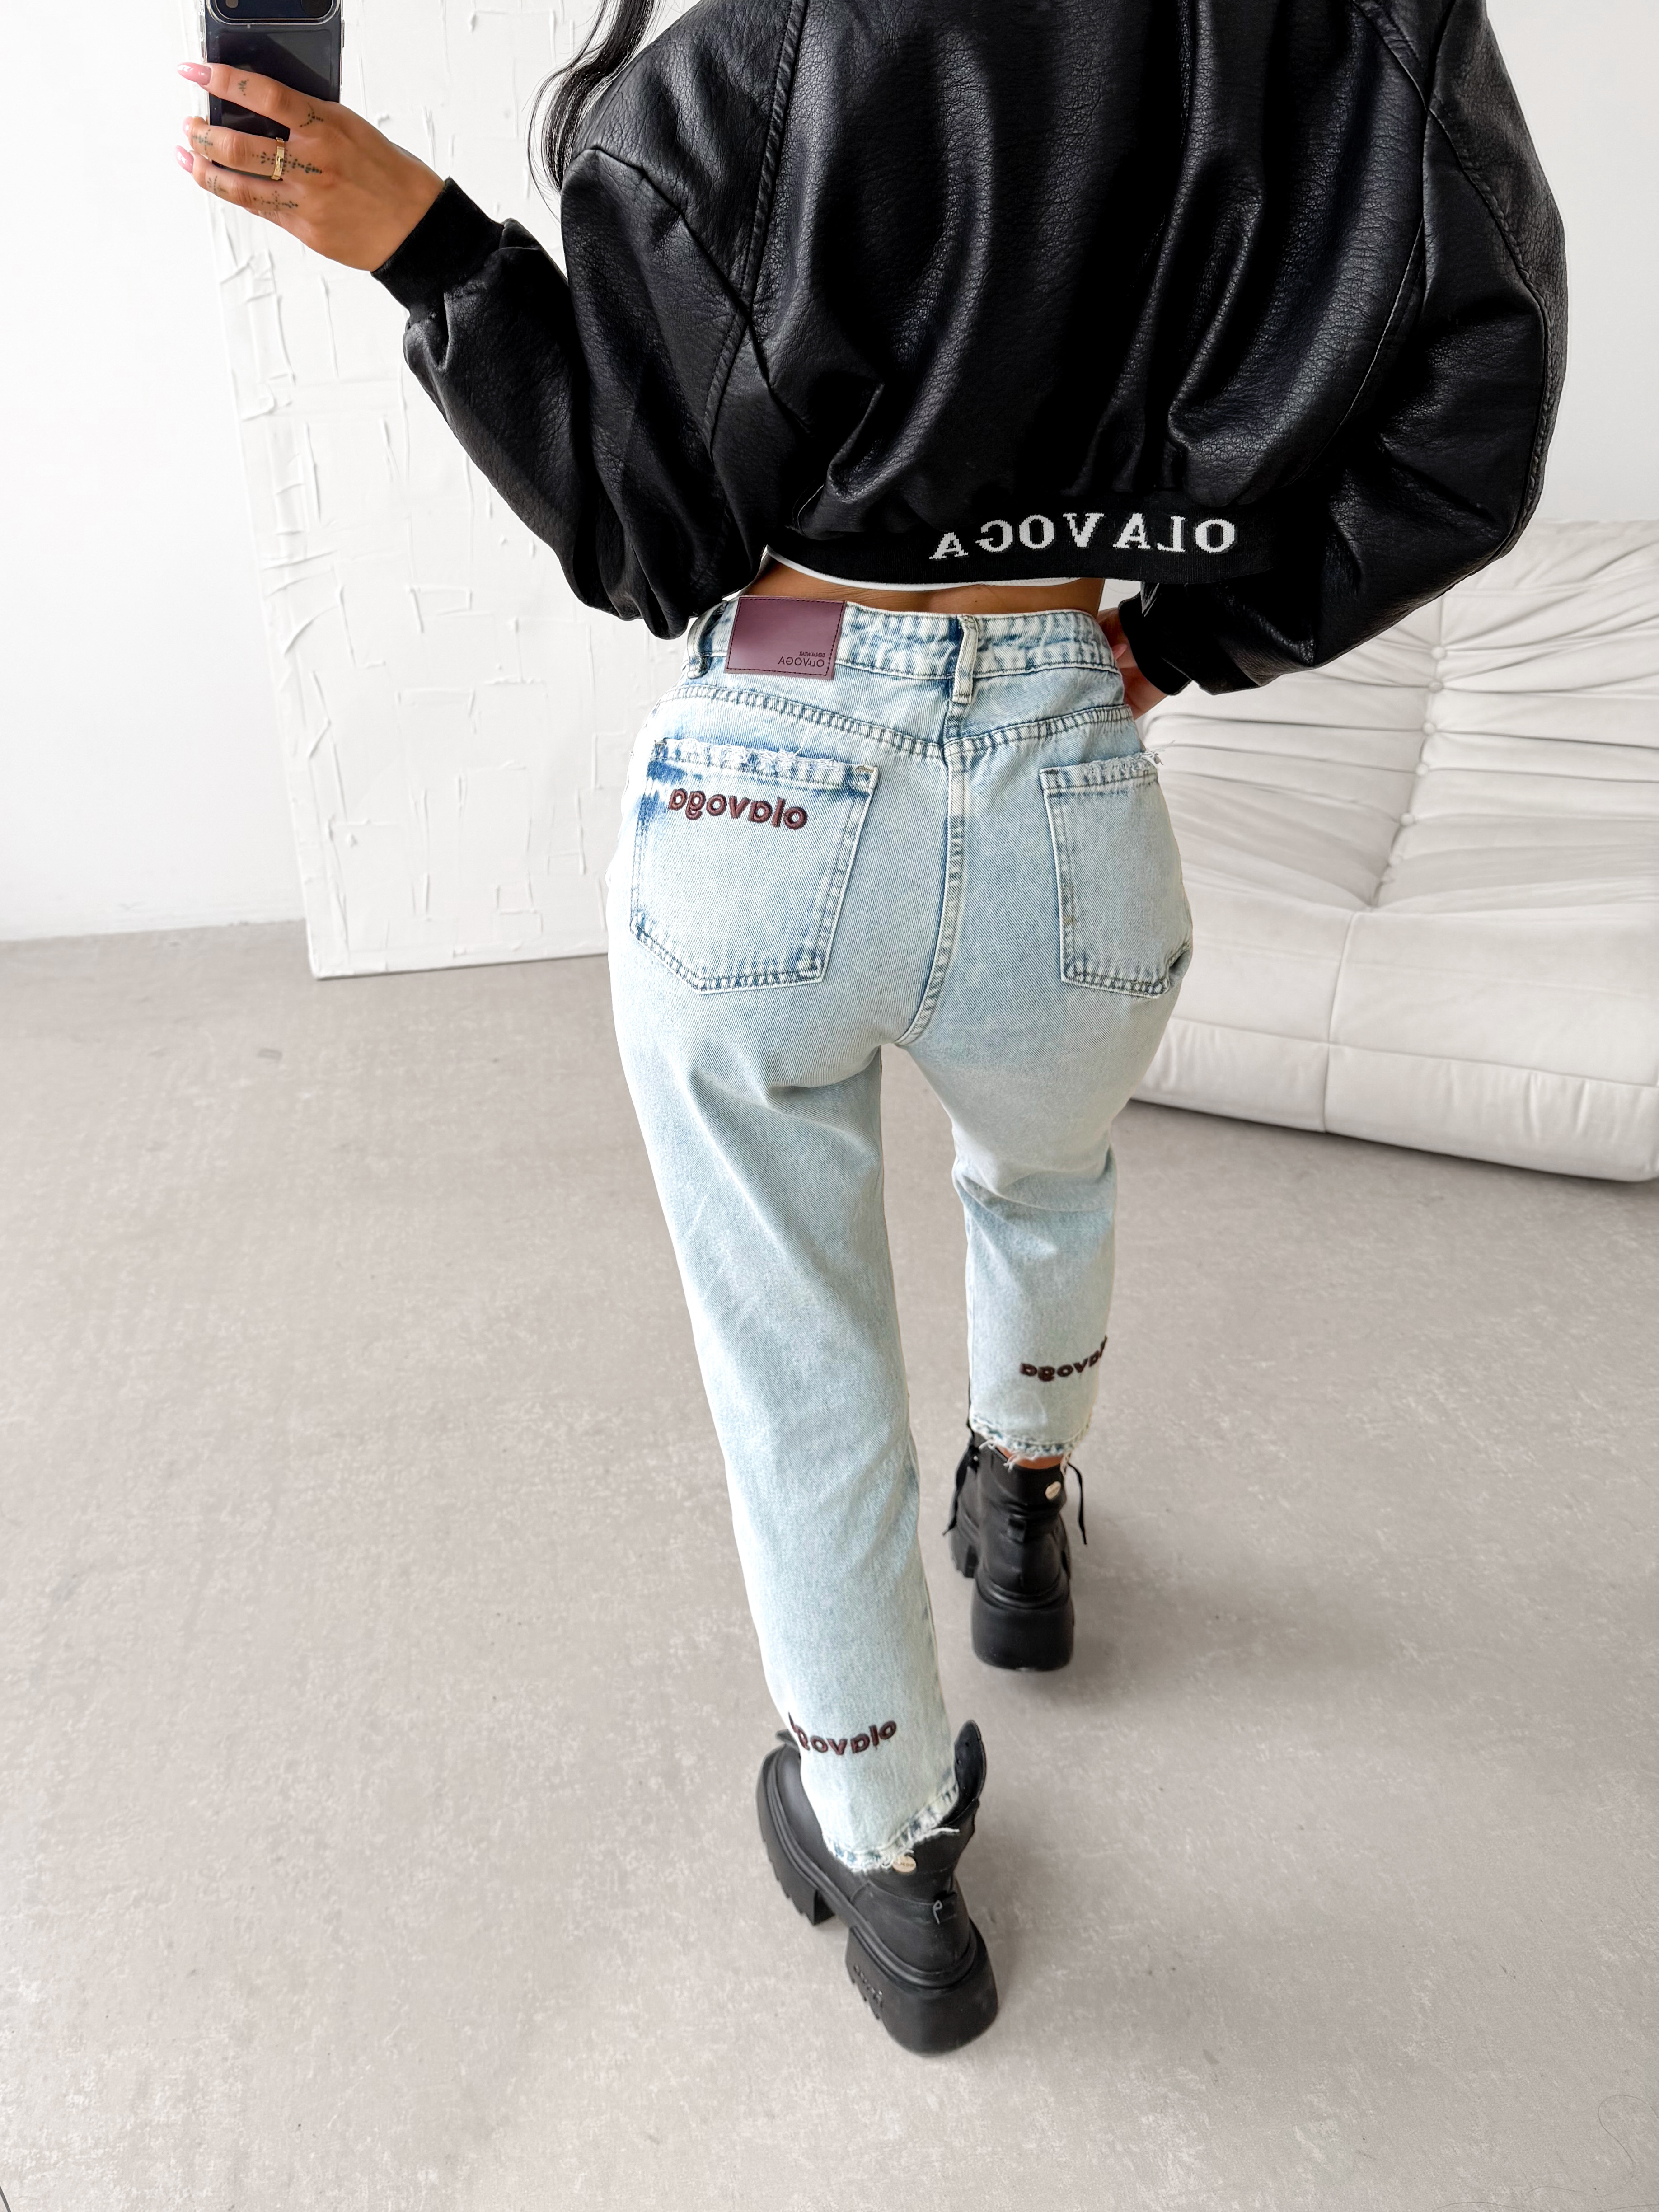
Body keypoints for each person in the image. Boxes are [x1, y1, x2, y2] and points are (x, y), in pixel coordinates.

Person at [177, 0, 1563, 2053]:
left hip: (775, 776)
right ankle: (1027, 1512)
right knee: (1049, 1171)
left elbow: (650, 537)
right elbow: (1474, 419)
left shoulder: (738, 59)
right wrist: (1190, 630)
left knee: (795, 1350)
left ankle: (888, 1853)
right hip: (1076, 771)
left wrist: (433, 252)